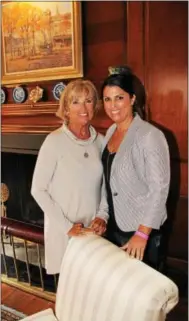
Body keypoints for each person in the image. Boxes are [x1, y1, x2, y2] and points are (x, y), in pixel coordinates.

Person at [31, 79, 109, 275]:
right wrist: (68, 227)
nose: (83, 107)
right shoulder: (54, 141)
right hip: (64, 231)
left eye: (89, 101)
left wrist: (102, 215)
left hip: (92, 231)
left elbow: (106, 186)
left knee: (92, 287)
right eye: (76, 102)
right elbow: (38, 190)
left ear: (95, 106)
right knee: (69, 293)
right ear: (65, 108)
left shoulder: (101, 141)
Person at [101, 66, 170, 269]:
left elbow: (159, 189)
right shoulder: (111, 131)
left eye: (119, 98)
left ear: (132, 99)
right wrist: (102, 215)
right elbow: (108, 180)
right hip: (115, 227)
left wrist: (142, 234)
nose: (113, 105)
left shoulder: (149, 135)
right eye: (107, 99)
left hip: (141, 231)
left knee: (143, 295)